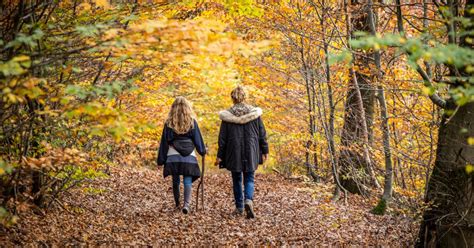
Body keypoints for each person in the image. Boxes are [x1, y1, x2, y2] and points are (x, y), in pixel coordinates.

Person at [215, 86, 269, 219]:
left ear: (232, 98)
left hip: (234, 152)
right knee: (249, 177)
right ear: (245, 97)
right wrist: (265, 150)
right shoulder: (255, 115)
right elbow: (262, 134)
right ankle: (248, 200)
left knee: (237, 178)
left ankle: (239, 208)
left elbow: (222, 139)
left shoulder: (228, 117)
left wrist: (220, 155)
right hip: (251, 150)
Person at [157, 96, 206, 214]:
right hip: (189, 156)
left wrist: (161, 160)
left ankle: (177, 203)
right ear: (187, 108)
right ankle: (186, 205)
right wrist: (203, 150)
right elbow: (198, 140)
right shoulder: (192, 122)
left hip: (173, 156)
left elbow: (164, 142)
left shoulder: (169, 123)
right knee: (187, 179)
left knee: (176, 179)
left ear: (173, 108)